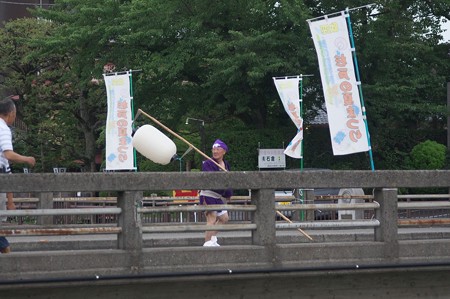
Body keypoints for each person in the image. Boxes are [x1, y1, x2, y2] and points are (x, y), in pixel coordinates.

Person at [0, 98, 36, 254]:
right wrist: (26, 159)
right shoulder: (3, 128)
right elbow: (8, 155)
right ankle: (9, 259)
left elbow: (6, 168)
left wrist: (10, 200)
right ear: (11, 113)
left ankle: (7, 254)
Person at [199, 139, 232, 247]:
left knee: (224, 218)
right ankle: (207, 243)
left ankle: (212, 239)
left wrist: (228, 194)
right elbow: (210, 178)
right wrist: (220, 173)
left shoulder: (226, 164)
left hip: (218, 196)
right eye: (213, 149)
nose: (215, 151)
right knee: (211, 218)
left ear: (224, 151)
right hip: (208, 194)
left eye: (218, 149)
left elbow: (229, 181)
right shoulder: (208, 163)